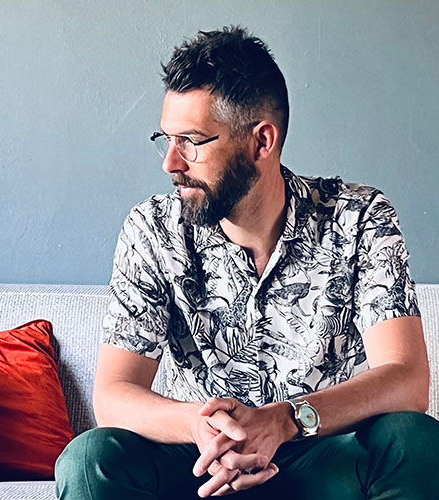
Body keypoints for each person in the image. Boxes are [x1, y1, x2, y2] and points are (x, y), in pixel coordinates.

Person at [55, 26, 439, 499]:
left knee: (416, 443)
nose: (170, 163)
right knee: (90, 459)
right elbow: (114, 393)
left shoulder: (359, 217)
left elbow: (407, 379)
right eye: (166, 138)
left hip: (318, 456)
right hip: (200, 462)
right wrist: (200, 426)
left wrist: (284, 421)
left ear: (261, 142)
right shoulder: (152, 229)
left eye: (191, 141)